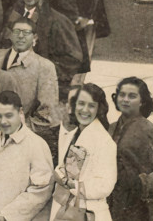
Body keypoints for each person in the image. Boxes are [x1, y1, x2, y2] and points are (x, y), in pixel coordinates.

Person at [0, 91, 54, 221]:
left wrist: (6, 216)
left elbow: (41, 190)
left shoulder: (36, 145)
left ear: (20, 112)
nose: (3, 121)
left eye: (8, 115)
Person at [0, 0, 83, 101]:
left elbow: (73, 60)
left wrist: (42, 72)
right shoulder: (12, 14)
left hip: (42, 87)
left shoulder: (58, 21)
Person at [49, 83, 117, 221]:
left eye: (91, 106)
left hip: (89, 212)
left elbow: (105, 185)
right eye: (81, 104)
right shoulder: (75, 133)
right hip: (66, 208)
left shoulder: (104, 141)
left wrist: (71, 184)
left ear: (99, 109)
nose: (84, 110)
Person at [0, 17, 62, 130]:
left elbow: (47, 113)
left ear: (34, 37)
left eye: (26, 32)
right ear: (10, 35)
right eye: (16, 32)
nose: (21, 36)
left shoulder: (44, 66)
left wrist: (22, 129)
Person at [108, 77, 153, 221]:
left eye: (132, 96)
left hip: (136, 205)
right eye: (122, 95)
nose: (125, 100)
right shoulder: (111, 127)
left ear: (142, 101)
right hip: (109, 200)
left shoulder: (148, 129)